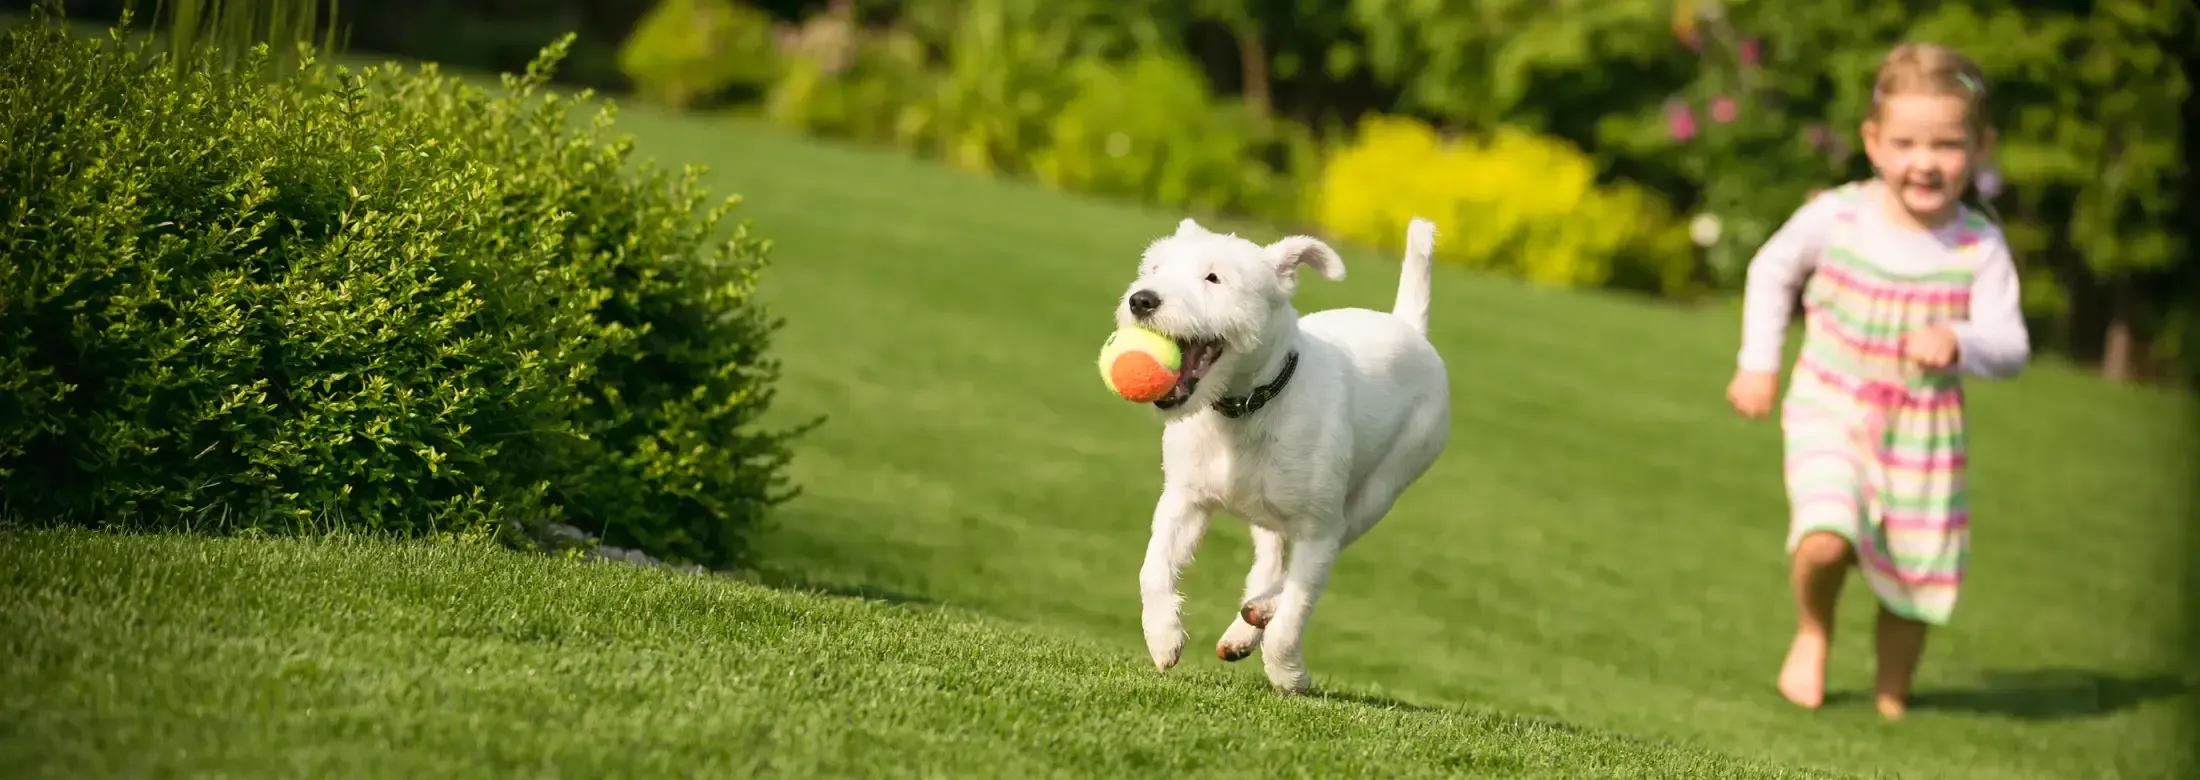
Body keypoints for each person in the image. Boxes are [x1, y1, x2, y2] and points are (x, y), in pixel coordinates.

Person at [1723, 42, 2031, 720]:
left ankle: (1893, 689)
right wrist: (1757, 362)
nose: (1925, 161)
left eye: (1948, 144)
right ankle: (1813, 630)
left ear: (1980, 147)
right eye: (1906, 142)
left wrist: (1959, 340)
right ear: (1873, 142)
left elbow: (2011, 347)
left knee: (1914, 576)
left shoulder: (1979, 247)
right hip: (1831, 405)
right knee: (1826, 535)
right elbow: (1771, 271)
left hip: (1924, 434)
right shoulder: (1838, 216)